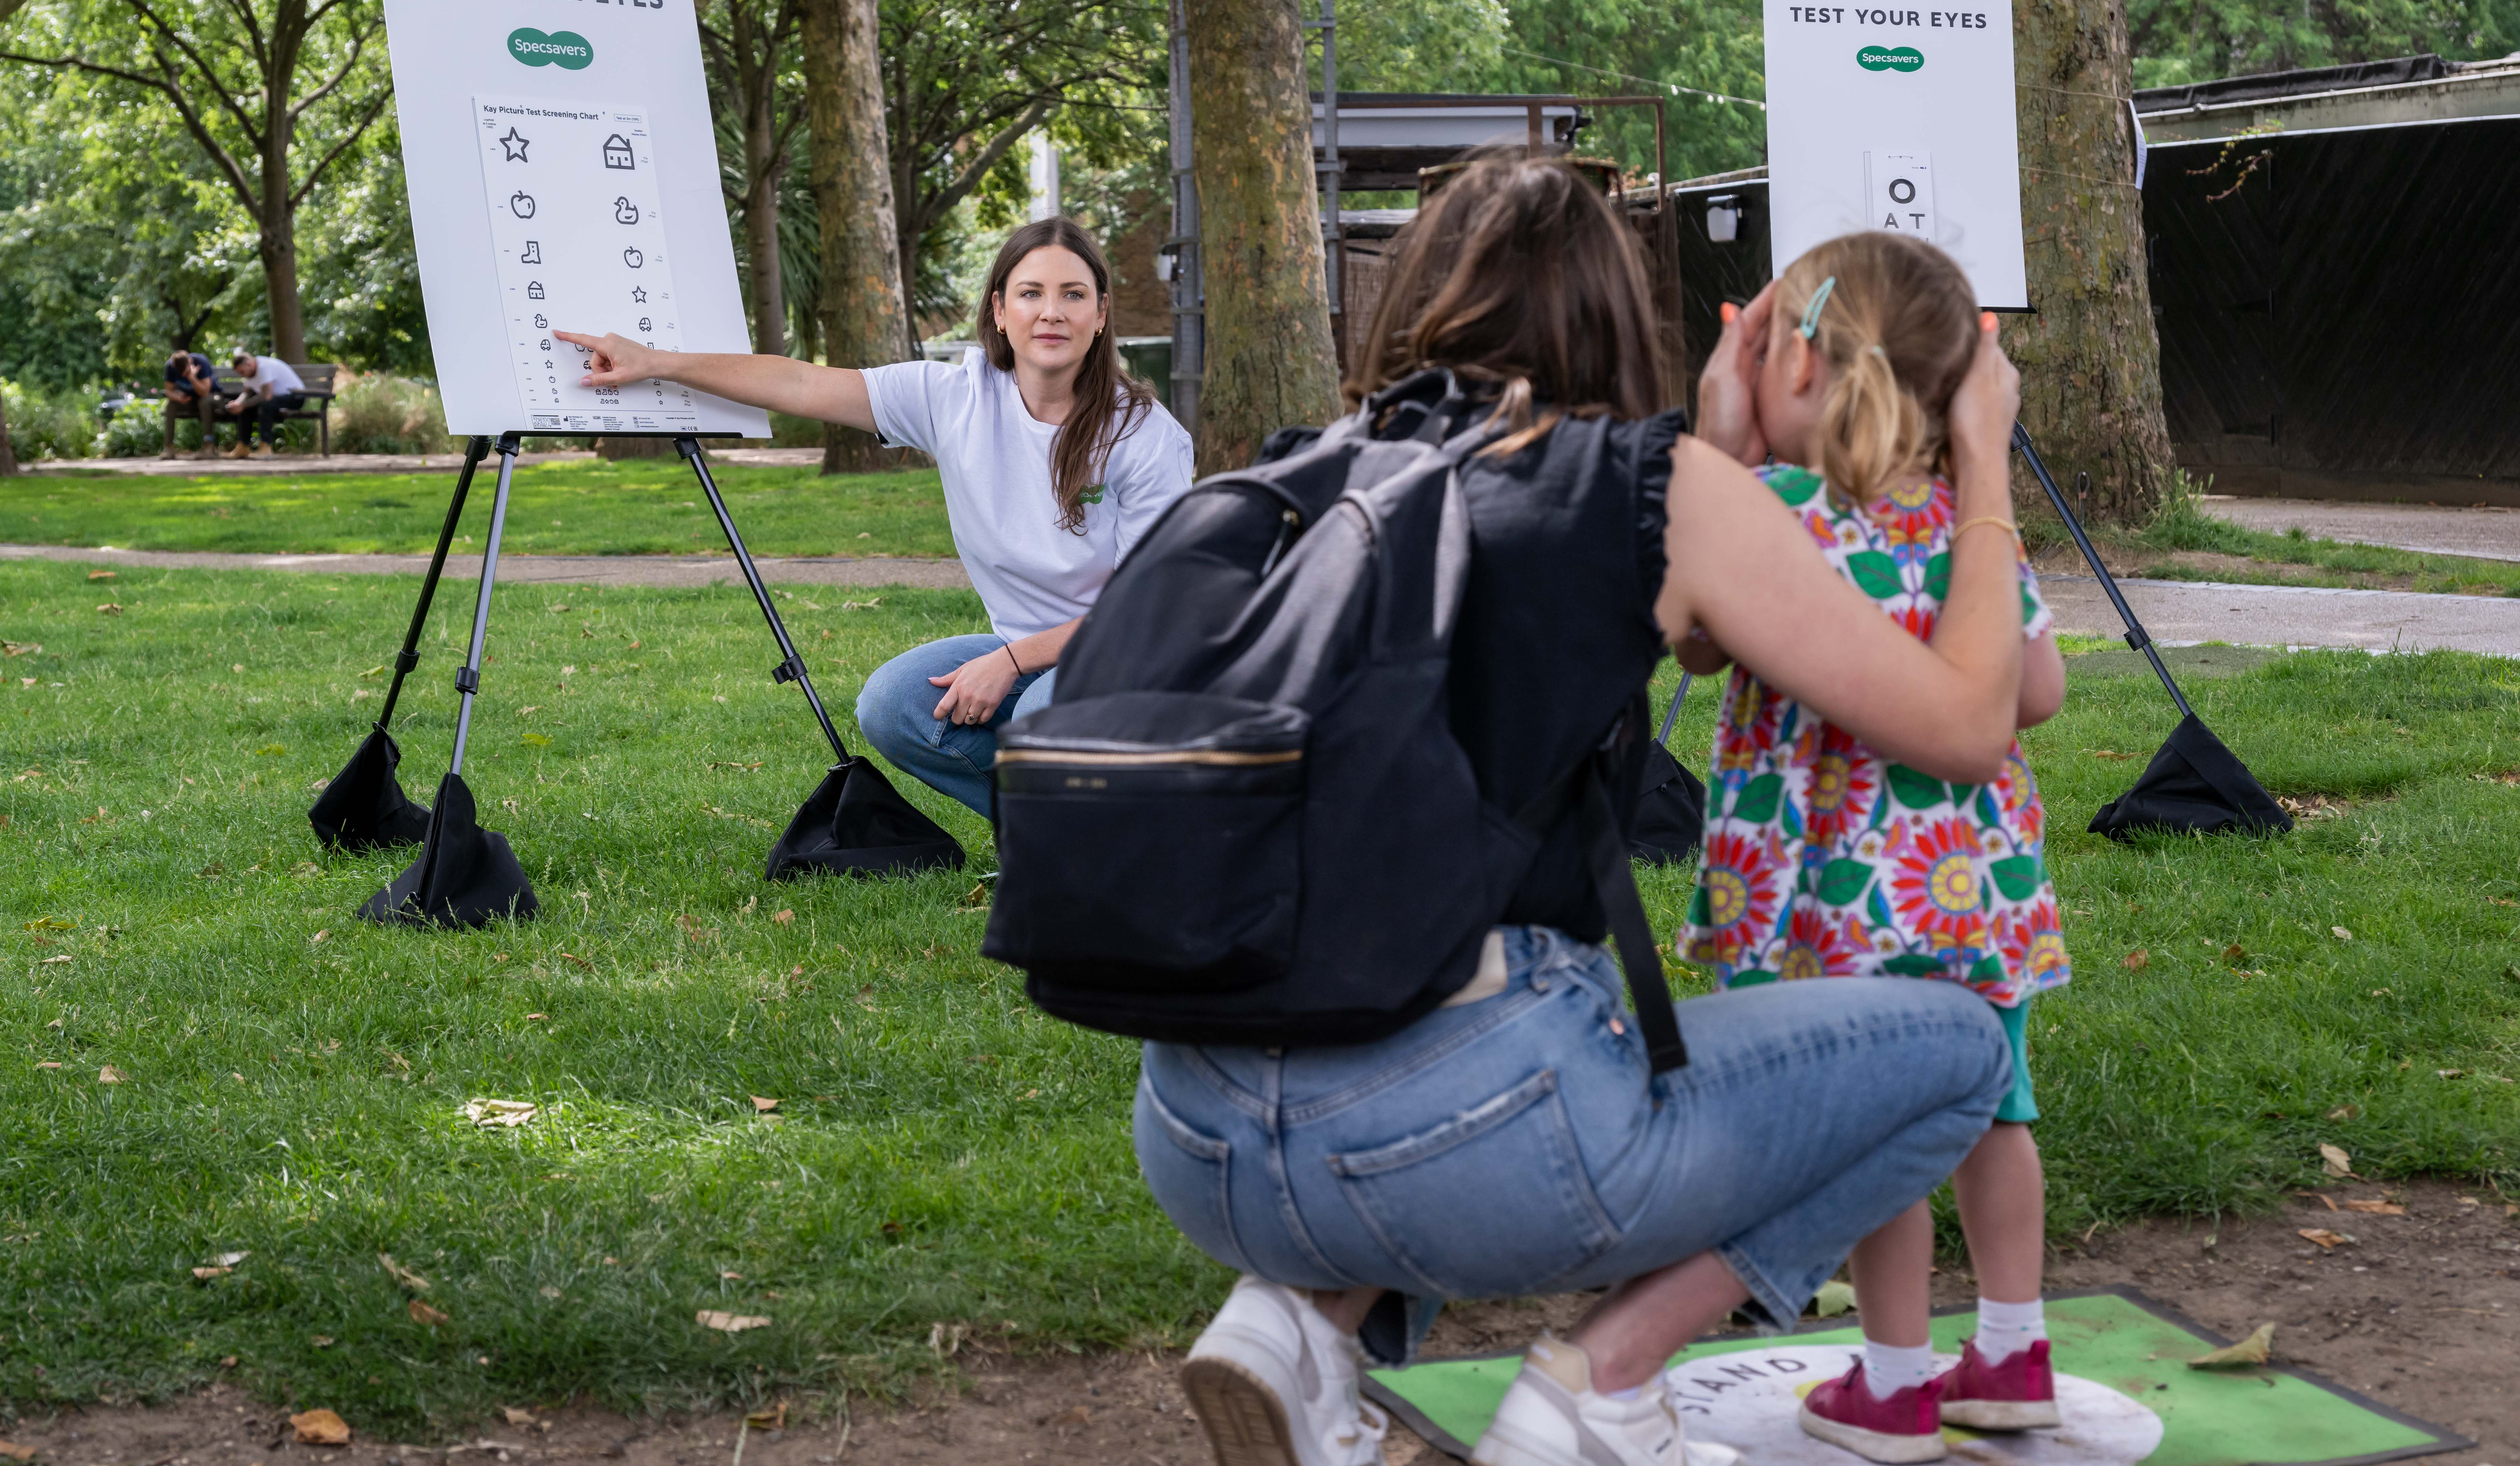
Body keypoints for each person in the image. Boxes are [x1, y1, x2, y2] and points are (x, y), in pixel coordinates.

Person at [1133, 156, 2028, 1466]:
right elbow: (1968, 724)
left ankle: (1300, 1324)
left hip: (1197, 1130)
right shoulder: (1651, 489)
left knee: (1399, 975)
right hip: (1463, 1135)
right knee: (1958, 1050)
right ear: (1619, 313)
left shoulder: (1303, 469)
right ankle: (1600, 1385)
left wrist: (1716, 453)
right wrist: (1984, 465)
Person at [1674, 233, 2070, 1462]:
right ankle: (2012, 1353)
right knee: (1995, 1111)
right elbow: (2039, 692)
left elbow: (1689, 644)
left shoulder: (1765, 514)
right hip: (1971, 891)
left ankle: (1894, 1380)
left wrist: (1723, 445)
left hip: (1833, 902)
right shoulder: (1970, 525)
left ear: (1791, 357)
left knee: (1879, 1132)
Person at [561, 216, 1193, 814]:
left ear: (1101, 312)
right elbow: (800, 385)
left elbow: (1147, 614)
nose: (1051, 311)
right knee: (894, 705)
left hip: (1131, 661)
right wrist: (657, 361)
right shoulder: (954, 399)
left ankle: (1111, 839)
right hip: (1028, 651)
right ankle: (1051, 837)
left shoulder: (1144, 437)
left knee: (1052, 719)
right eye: (1030, 293)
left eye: (1074, 294)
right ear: (1000, 311)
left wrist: (1010, 662)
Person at [225, 350, 306, 458]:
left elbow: (266, 396)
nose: (243, 375)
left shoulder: (264, 367)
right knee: (247, 408)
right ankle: (243, 446)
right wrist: (238, 403)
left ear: (249, 364)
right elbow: (247, 393)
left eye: (243, 372)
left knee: (266, 404)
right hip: (276, 400)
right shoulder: (250, 374)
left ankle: (266, 447)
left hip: (296, 397)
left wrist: (242, 405)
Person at [162, 349, 223, 459]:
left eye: (185, 372)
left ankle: (209, 447)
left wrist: (191, 377)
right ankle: (168, 448)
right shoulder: (170, 366)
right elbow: (169, 391)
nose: (183, 375)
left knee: (204, 402)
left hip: (212, 398)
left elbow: (205, 392)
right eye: (181, 374)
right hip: (189, 400)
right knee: (171, 405)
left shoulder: (201, 362)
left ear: (190, 362)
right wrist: (178, 397)